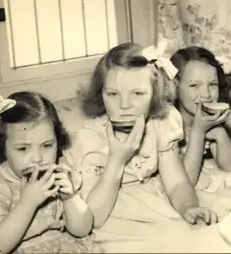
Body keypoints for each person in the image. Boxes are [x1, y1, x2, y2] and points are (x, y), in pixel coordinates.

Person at [61, 42, 218, 252]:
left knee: (201, 238)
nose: (124, 105)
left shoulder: (162, 122)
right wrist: (117, 160)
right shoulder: (90, 138)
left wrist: (188, 207)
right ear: (100, 94)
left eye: (137, 94)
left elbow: (177, 182)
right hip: (109, 211)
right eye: (113, 94)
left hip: (152, 202)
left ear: (155, 93)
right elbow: (94, 218)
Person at [0, 92, 95, 254]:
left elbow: (82, 230)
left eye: (47, 146)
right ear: (2, 148)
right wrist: (28, 203)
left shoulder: (60, 174)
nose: (38, 158)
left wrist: (70, 199)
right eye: (23, 148)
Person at [170, 46, 231, 216]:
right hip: (181, 187)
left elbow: (228, 164)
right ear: (174, 87)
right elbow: (186, 181)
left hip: (205, 175)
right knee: (227, 205)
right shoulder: (169, 123)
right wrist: (198, 132)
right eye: (194, 85)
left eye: (212, 85)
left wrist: (218, 131)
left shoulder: (205, 115)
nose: (206, 94)